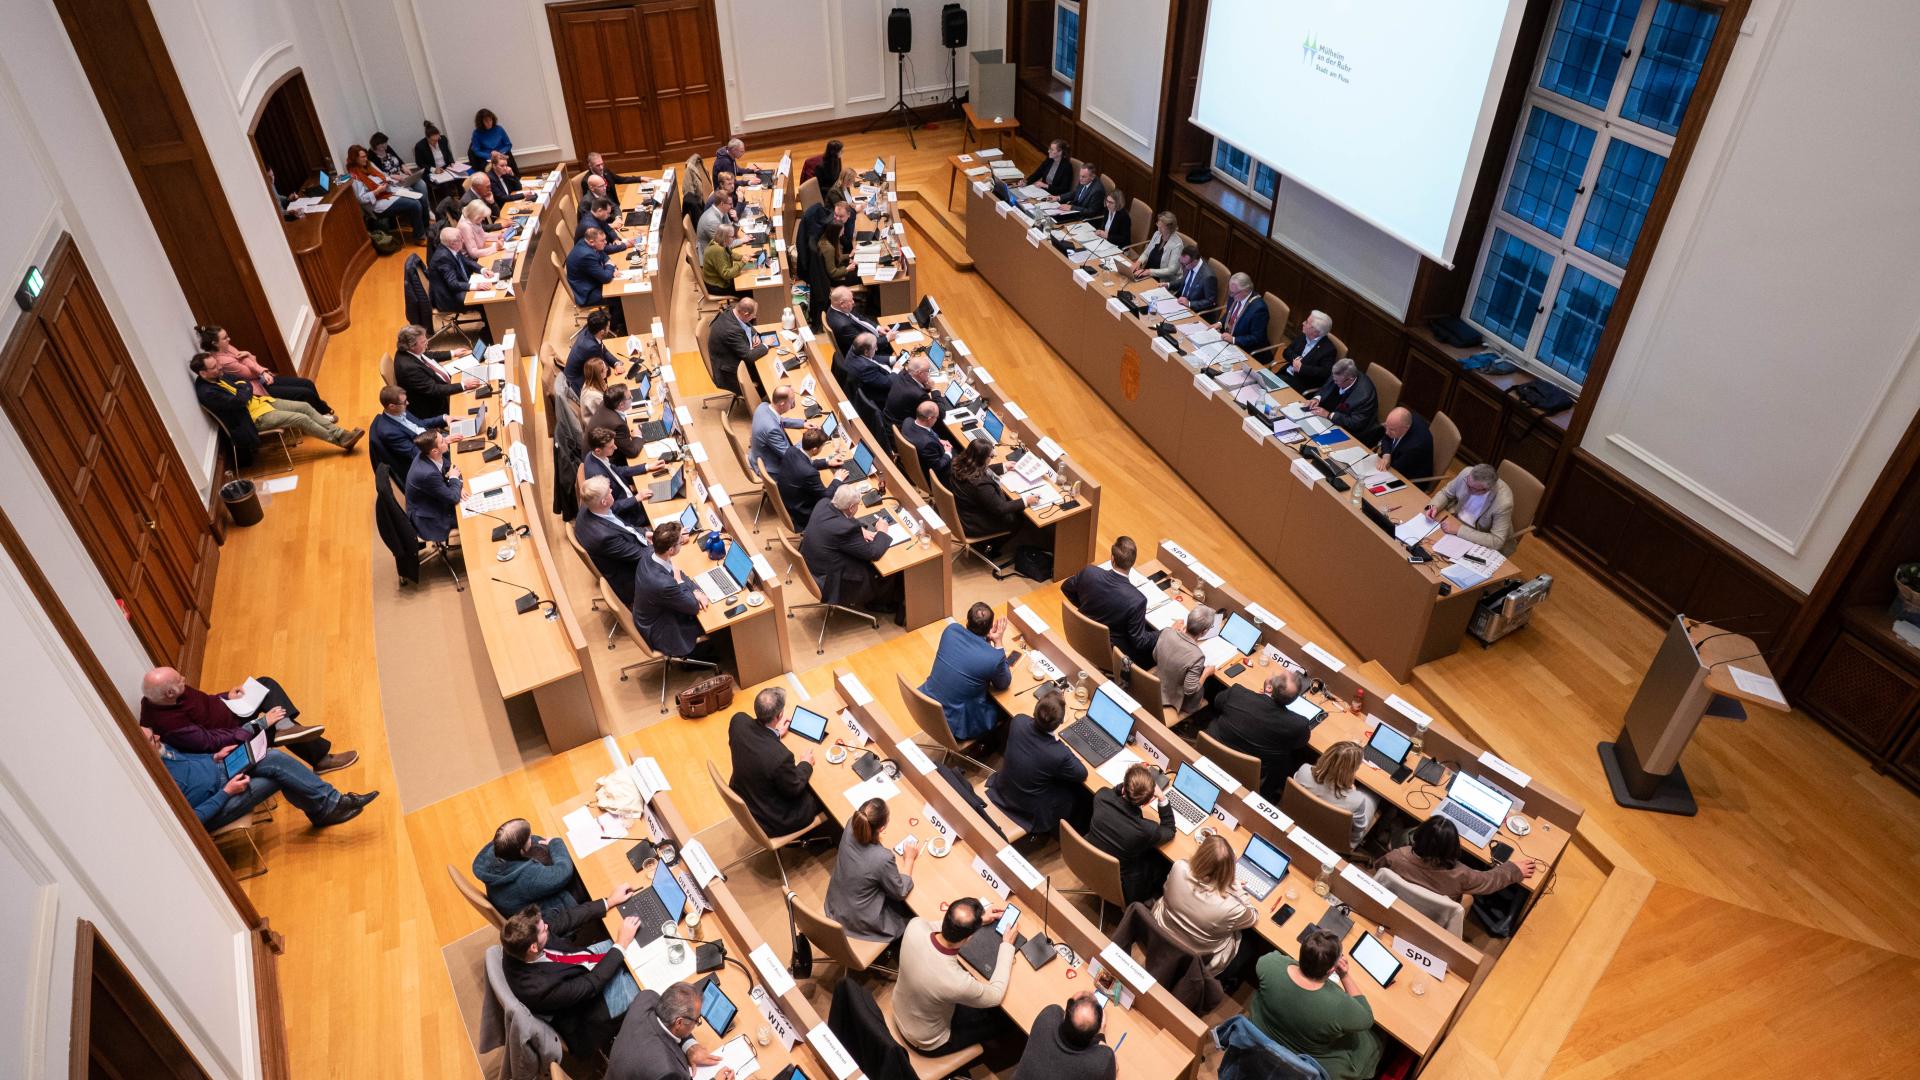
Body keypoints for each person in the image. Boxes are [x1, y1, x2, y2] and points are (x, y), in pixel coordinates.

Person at [500, 894, 644, 1065]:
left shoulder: (519, 943)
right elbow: (591, 984)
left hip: (579, 964)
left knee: (637, 941)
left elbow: (564, 919)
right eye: (544, 929)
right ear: (533, 947)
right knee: (646, 983)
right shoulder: (540, 988)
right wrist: (620, 944)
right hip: (592, 1007)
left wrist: (609, 901)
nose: (547, 926)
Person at [145, 725, 375, 828]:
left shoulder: (162, 751)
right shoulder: (159, 782)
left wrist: (214, 757)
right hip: (220, 801)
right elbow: (191, 819)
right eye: (153, 740)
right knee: (278, 772)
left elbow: (192, 764)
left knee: (270, 756)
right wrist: (226, 792)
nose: (158, 736)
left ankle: (327, 806)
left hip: (223, 771)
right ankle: (327, 807)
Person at [139, 666, 348, 773]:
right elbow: (210, 742)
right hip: (231, 737)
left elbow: (204, 702)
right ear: (169, 693)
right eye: (179, 680)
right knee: (269, 731)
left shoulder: (170, 693)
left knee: (265, 684)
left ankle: (286, 726)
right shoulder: (168, 724)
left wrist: (225, 696)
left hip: (232, 710)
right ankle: (320, 759)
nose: (184, 679)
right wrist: (258, 725)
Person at [1251, 930, 1383, 1080]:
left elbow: (1280, 960)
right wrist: (1344, 975)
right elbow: (1366, 1018)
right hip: (1308, 1056)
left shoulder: (1269, 965)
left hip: (1266, 1033)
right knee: (1376, 1040)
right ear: (1331, 969)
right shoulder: (1338, 1005)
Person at [894, 898, 1014, 1054]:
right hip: (927, 1041)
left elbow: (935, 928)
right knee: (1003, 1019)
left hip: (900, 1009)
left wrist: (977, 922)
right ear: (967, 939)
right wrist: (1007, 945)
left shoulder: (914, 926)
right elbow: (996, 995)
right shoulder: (957, 982)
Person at [192, 352, 364, 452]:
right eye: (214, 367)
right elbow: (240, 399)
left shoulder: (219, 376)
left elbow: (242, 383)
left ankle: (341, 433)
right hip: (254, 418)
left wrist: (244, 389)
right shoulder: (207, 392)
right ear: (203, 373)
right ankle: (340, 442)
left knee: (304, 406)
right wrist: (244, 389)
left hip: (262, 402)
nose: (219, 367)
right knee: (301, 419)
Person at [726, 687, 829, 838]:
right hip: (773, 819)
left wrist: (776, 734)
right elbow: (794, 788)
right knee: (821, 793)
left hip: (746, 794)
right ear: (780, 715)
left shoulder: (738, 721)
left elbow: (753, 746)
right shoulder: (780, 758)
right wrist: (806, 763)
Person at [1153, 834, 1258, 978]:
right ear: (1229, 870)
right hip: (1198, 956)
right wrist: (1236, 887)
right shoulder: (1232, 907)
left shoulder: (1179, 867)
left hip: (1161, 932)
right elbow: (1253, 917)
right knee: (1251, 944)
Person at [986, 689, 1089, 836]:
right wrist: (1064, 747)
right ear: (1060, 722)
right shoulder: (1058, 753)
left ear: (1035, 710)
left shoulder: (1018, 721)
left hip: (1004, 788)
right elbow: (1081, 774)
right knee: (1075, 794)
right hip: (1027, 810)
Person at [1207, 669, 1309, 803]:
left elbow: (1217, 702)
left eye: (1273, 673)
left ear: (1268, 687)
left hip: (1211, 755)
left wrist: (1254, 698)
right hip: (1246, 775)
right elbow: (1299, 744)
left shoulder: (1237, 693)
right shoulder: (1297, 725)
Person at [800, 485, 900, 620]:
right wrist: (881, 531)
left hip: (812, 566)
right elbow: (873, 552)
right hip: (831, 580)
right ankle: (878, 603)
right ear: (852, 507)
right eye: (857, 505)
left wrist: (859, 529)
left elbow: (838, 523)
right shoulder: (846, 529)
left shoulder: (823, 504)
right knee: (884, 568)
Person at [826, 797, 918, 943]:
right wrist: (909, 859)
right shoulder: (882, 858)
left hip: (835, 904)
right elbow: (900, 892)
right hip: (857, 921)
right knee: (910, 917)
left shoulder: (851, 823)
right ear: (882, 828)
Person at [1378, 816, 1536, 900]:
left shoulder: (1396, 856)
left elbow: (1377, 872)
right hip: (1434, 914)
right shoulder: (1461, 875)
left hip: (1399, 903)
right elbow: (1489, 880)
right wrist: (1513, 869)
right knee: (1469, 900)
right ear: (1453, 846)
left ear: (1418, 835)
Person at [919, 602, 1012, 742]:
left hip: (925, 706)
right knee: (1006, 711)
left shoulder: (951, 630)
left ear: (968, 620)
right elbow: (1004, 683)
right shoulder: (994, 657)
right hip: (954, 725)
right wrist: (998, 642)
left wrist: (987, 639)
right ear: (989, 627)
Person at [1061, 536, 1160, 669]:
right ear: (1133, 562)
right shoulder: (1137, 600)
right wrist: (1164, 632)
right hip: (1111, 649)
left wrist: (1085, 605)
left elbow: (1066, 587)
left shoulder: (1089, 572)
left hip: (1082, 634)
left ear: (1112, 558)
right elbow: (1140, 641)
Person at [605, 981, 733, 1080]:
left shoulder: (646, 998)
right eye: (697, 1020)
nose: (696, 1023)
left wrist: (690, 1046)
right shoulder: (668, 1071)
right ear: (679, 1023)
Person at [1086, 764, 1175, 905]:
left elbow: (1114, 791)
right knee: (1161, 863)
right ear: (1147, 801)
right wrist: (1162, 797)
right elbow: (1170, 830)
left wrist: (1131, 781)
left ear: (1124, 788)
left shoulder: (1101, 797)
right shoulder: (1146, 830)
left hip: (1088, 862)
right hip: (1122, 885)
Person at [631, 521, 715, 663]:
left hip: (652, 612)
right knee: (712, 618)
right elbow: (692, 606)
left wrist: (696, 590)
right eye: (679, 542)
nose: (682, 543)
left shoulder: (650, 553)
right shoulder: (663, 584)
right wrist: (681, 583)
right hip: (661, 629)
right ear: (670, 550)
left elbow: (678, 572)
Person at [196, 324, 330, 413]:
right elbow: (249, 373)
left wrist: (260, 369)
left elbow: (247, 362)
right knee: (304, 393)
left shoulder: (227, 348)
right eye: (225, 338)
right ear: (215, 343)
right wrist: (251, 358)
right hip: (259, 388)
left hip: (263, 377)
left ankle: (322, 411)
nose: (229, 339)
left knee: (307, 383)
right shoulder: (222, 361)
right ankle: (323, 413)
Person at [474, 818, 582, 925]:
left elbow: (535, 840)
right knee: (580, 874)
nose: (531, 837)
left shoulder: (494, 852)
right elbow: (563, 872)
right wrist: (555, 843)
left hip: (515, 908)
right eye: (528, 837)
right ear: (521, 850)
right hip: (540, 919)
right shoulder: (527, 877)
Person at [948, 438, 1040, 553]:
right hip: (974, 524)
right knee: (1018, 519)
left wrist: (1003, 467)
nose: (993, 456)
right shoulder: (980, 484)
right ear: (982, 459)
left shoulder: (958, 463)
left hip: (962, 513)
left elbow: (979, 469)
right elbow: (1001, 508)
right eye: (991, 456)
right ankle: (991, 549)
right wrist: (1026, 501)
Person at [575, 476, 650, 607]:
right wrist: (666, 541)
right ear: (604, 502)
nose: (611, 490)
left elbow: (621, 525)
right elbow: (640, 555)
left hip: (624, 551)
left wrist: (645, 533)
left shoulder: (588, 507)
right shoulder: (604, 537)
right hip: (629, 574)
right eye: (609, 492)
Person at [1291, 742, 1381, 850]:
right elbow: (1357, 832)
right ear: (1353, 769)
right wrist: (1353, 792)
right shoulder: (1356, 800)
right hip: (1333, 840)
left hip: (1298, 819)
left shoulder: (1304, 770)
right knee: (1374, 796)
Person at [1013, 994, 1115, 1080]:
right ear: (1094, 1034)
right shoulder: (1101, 1061)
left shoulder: (1049, 1015)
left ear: (1066, 1014)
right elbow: (1113, 1067)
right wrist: (1101, 1035)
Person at [1425, 463, 1517, 554]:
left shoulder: (1503, 503)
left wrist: (1459, 530)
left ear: (1487, 489)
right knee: (1425, 545)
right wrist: (1433, 506)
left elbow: (1497, 541)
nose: (1467, 489)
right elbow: (1445, 493)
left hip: (1476, 534)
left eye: (1472, 488)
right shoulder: (1467, 473)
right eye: (1467, 483)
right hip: (1452, 520)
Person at [392, 324, 480, 419]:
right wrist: (463, 385)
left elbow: (428, 354)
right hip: (434, 405)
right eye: (423, 342)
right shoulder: (409, 368)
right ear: (412, 346)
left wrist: (453, 353)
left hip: (437, 381)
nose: (427, 343)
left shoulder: (409, 350)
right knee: (475, 397)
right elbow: (434, 389)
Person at [345, 142, 429, 240]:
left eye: (365, 156)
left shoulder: (369, 165)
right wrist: (377, 191)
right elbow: (361, 199)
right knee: (415, 204)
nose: (366, 159)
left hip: (389, 192)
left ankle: (426, 228)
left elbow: (383, 176)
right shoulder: (354, 177)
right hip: (378, 203)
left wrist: (388, 180)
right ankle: (420, 237)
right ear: (355, 159)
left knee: (421, 197)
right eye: (362, 157)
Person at [1153, 605, 1216, 718]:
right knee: (1211, 685)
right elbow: (1190, 690)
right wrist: (1206, 673)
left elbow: (1155, 656)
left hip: (1157, 683)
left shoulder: (1167, 631)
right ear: (1205, 631)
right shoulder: (1197, 656)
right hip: (1174, 698)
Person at [369, 385, 446, 476]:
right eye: (404, 402)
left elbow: (420, 424)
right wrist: (441, 444)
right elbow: (415, 453)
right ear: (392, 406)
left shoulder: (399, 410)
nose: (408, 403)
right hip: (430, 455)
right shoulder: (389, 432)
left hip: (435, 440)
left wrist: (444, 418)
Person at [581, 426, 653, 521]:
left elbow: (618, 470)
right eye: (611, 447)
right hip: (628, 514)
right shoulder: (598, 476)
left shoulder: (593, 455)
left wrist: (647, 467)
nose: (615, 447)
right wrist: (636, 498)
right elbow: (610, 508)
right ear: (598, 450)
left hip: (626, 494)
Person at [404, 430, 463, 543]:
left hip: (432, 500)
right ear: (435, 450)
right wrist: (455, 480)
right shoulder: (428, 474)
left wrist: (457, 484)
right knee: (472, 513)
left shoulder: (427, 453)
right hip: (430, 518)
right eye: (442, 441)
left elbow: (449, 467)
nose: (447, 440)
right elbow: (453, 498)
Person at [705, 297, 768, 398]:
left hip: (731, 355)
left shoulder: (734, 310)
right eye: (753, 315)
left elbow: (746, 324)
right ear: (745, 314)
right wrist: (766, 345)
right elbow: (749, 356)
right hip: (728, 372)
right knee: (766, 377)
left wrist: (754, 336)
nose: (754, 317)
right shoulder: (731, 330)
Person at [838, 332, 894, 437]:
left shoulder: (854, 349)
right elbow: (889, 383)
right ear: (866, 351)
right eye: (874, 347)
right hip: (883, 399)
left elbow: (872, 360)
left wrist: (893, 359)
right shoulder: (865, 368)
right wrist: (896, 370)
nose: (877, 349)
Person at [566, 226, 622, 329]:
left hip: (591, 281)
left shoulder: (587, 242)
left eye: (605, 239)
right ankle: (616, 327)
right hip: (587, 293)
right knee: (619, 298)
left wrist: (609, 264)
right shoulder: (586, 255)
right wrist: (610, 266)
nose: (605, 242)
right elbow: (605, 277)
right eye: (602, 241)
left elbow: (602, 253)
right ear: (591, 242)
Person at [1310, 357, 1379, 436]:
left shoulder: (1364, 396)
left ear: (1350, 379)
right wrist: (1317, 398)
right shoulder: (1339, 374)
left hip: (1350, 431)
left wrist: (1329, 415)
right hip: (1329, 417)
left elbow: (1355, 423)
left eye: (1337, 381)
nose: (1334, 382)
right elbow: (1326, 387)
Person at [749, 386, 808, 474]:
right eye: (792, 403)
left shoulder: (763, 407)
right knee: (807, 470)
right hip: (770, 469)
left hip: (757, 457)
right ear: (782, 404)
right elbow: (789, 456)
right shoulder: (772, 430)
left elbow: (778, 420)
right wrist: (807, 440)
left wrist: (803, 424)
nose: (793, 406)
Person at [429, 226, 488, 313]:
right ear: (452, 243)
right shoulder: (442, 258)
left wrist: (482, 270)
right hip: (449, 296)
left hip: (457, 285)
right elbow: (453, 284)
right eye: (461, 239)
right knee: (484, 301)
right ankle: (488, 325)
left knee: (484, 289)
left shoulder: (451, 247)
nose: (463, 241)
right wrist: (475, 286)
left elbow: (466, 261)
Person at [825, 285, 895, 359]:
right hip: (868, 354)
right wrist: (886, 339)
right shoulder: (844, 326)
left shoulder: (835, 307)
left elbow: (860, 318)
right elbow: (866, 346)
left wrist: (878, 328)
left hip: (868, 336)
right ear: (842, 304)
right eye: (851, 300)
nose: (853, 302)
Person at [1374, 407, 1435, 487]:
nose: (1387, 432)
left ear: (1406, 428)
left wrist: (1385, 462)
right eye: (1387, 426)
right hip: (1397, 462)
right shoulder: (1403, 419)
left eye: (1391, 430)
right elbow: (1386, 437)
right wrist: (1386, 454)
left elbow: (1395, 470)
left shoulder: (1416, 446)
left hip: (1409, 481)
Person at [899, 401, 954, 488]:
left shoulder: (907, 421)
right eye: (937, 417)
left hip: (917, 460)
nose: (937, 419)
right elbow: (937, 466)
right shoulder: (928, 444)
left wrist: (939, 440)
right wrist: (948, 453)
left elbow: (927, 432)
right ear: (929, 418)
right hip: (934, 476)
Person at [1278, 310, 1338, 391]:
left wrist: (1302, 368)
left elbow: (1324, 373)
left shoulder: (1329, 350)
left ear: (1316, 331)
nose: (1303, 323)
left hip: (1300, 384)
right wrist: (1297, 359)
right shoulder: (1304, 335)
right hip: (1284, 374)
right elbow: (1286, 352)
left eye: (1307, 322)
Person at [565, 308, 619, 396]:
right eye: (608, 327)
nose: (609, 328)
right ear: (602, 331)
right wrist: (612, 368)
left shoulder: (590, 330)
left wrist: (616, 363)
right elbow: (602, 371)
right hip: (578, 385)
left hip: (580, 374)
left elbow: (602, 349)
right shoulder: (590, 347)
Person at [882, 354, 942, 429]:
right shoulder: (919, 395)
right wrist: (934, 389)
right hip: (901, 428)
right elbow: (940, 414)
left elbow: (913, 387)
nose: (929, 374)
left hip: (889, 419)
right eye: (928, 371)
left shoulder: (902, 375)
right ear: (920, 373)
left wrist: (926, 387)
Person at [368, 131, 429, 201]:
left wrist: (404, 167)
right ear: (376, 145)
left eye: (385, 143)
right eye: (382, 144)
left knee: (422, 184)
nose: (385, 145)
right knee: (411, 192)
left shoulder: (387, 148)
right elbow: (378, 174)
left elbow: (399, 161)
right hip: (392, 182)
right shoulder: (371, 155)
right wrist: (392, 176)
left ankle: (426, 209)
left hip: (402, 177)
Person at [1218, 273, 1269, 351]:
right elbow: (1229, 313)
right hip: (1226, 340)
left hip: (1245, 348)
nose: (1231, 295)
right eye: (1230, 291)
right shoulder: (1235, 294)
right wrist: (1220, 323)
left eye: (1233, 293)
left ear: (1245, 290)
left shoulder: (1259, 309)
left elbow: (1257, 338)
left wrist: (1234, 340)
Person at [1131, 212, 1185, 282]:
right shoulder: (1157, 234)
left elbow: (1171, 270)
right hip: (1145, 274)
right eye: (1158, 224)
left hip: (1161, 281)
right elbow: (1146, 253)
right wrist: (1138, 262)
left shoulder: (1177, 245)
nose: (1158, 227)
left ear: (1169, 228)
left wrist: (1150, 272)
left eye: (1161, 226)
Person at [701, 222, 750, 298]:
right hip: (717, 285)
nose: (734, 238)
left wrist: (742, 257)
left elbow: (731, 254)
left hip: (718, 280)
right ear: (726, 237)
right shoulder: (718, 250)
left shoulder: (719, 242)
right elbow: (726, 275)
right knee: (750, 292)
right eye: (732, 237)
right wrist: (742, 263)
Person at [813, 213, 859, 286]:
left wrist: (850, 256)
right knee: (860, 275)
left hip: (838, 268)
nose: (843, 233)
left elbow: (837, 257)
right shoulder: (828, 248)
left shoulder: (830, 238)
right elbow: (833, 273)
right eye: (842, 231)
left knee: (858, 268)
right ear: (836, 232)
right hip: (835, 280)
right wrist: (847, 269)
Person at [1171, 246, 1219, 312]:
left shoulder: (1208, 277)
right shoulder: (1189, 264)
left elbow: (1211, 301)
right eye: (1181, 263)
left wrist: (1189, 303)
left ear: (1195, 262)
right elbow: (1185, 281)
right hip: (1179, 303)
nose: (1182, 267)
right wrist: (1168, 285)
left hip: (1194, 311)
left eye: (1184, 264)